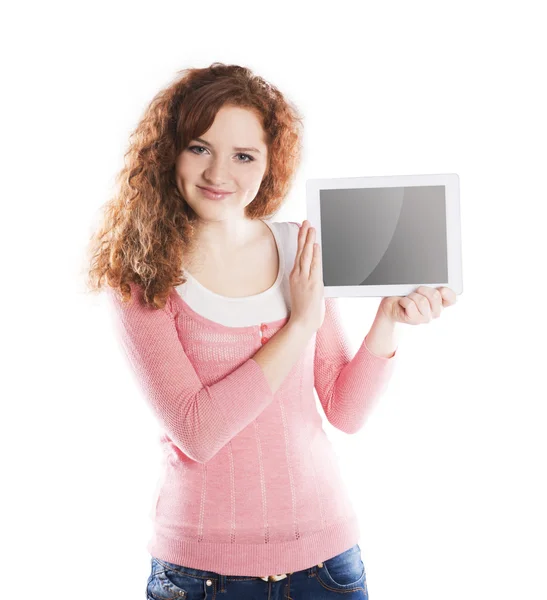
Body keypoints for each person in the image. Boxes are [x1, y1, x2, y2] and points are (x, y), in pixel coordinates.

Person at [86, 62, 402, 599]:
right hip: (201, 576)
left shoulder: (299, 249)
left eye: (243, 156)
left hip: (327, 564)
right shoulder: (143, 275)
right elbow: (199, 431)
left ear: (269, 165)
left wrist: (389, 318)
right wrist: (300, 323)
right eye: (199, 147)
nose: (218, 174)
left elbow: (344, 410)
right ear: (169, 151)